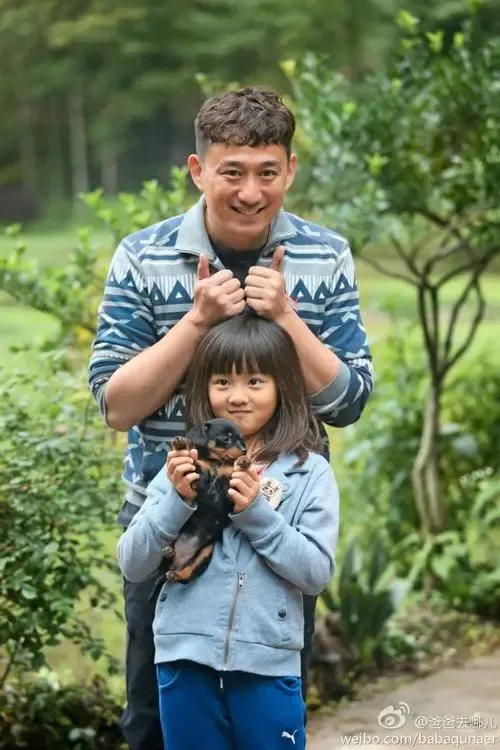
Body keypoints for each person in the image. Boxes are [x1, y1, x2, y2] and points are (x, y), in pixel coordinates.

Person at [88, 86, 373, 750]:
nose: (250, 192)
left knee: (267, 718)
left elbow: (350, 402)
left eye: (268, 172)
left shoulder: (325, 255)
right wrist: (196, 321)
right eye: (232, 172)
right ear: (198, 170)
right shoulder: (144, 255)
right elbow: (116, 405)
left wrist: (287, 318)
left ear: (290, 170)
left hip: (279, 520)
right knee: (156, 720)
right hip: (168, 519)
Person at [117, 313, 340, 750]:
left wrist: (256, 514)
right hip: (184, 662)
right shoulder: (181, 467)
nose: (237, 396)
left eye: (255, 381)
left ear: (283, 386)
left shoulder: (308, 473)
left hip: (268, 668)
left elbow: (315, 573)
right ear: (204, 388)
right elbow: (133, 563)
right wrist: (176, 501)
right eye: (222, 382)